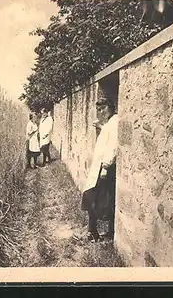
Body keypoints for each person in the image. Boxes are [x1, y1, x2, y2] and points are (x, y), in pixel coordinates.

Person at [80, 97, 118, 242]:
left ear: (111, 107)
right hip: (99, 167)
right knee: (93, 197)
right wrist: (101, 127)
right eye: (99, 110)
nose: (101, 112)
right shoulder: (110, 123)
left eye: (104, 109)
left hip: (104, 169)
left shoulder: (115, 122)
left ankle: (97, 231)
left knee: (97, 199)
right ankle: (94, 230)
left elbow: (113, 146)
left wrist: (106, 167)